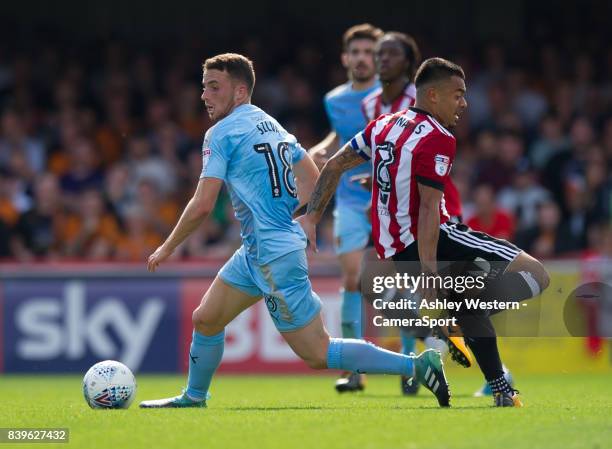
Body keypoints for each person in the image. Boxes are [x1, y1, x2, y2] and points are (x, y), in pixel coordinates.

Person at [139, 53, 451, 409]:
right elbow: (309, 172)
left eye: (214, 87)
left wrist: (168, 246)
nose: (204, 96)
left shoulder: (220, 133)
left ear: (240, 92)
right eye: (204, 87)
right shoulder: (270, 124)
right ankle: (194, 397)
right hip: (258, 250)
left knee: (318, 353)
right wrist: (305, 216)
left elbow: (203, 204)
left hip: (273, 254)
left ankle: (416, 365)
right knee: (206, 319)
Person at [298, 57, 550, 407]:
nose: (464, 103)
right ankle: (460, 320)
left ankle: (502, 389)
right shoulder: (439, 137)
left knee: (460, 302)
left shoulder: (382, 126)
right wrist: (430, 277)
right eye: (458, 94)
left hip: (396, 250)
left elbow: (335, 164)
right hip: (436, 239)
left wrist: (311, 217)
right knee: (535, 275)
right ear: (432, 95)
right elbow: (430, 210)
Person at [361, 32, 472, 396]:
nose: (381, 59)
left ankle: (489, 372)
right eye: (379, 53)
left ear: (409, 63)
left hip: (432, 209)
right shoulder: (372, 105)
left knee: (437, 295)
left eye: (391, 53)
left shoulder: (424, 99)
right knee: (373, 286)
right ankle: (431, 345)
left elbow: (428, 163)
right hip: (397, 215)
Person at [309, 24, 383, 392]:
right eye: (356, 52)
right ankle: (355, 370)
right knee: (351, 279)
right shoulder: (334, 99)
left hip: (391, 198)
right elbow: (342, 136)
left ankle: (410, 356)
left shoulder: (392, 97)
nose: (362, 58)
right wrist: (322, 148)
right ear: (345, 58)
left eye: (369, 52)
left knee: (404, 280)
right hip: (351, 199)